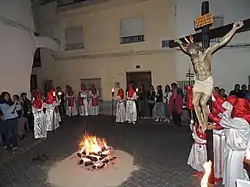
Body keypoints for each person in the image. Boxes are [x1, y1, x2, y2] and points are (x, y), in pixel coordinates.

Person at [175, 20, 243, 132]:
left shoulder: (206, 53)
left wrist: (234, 29)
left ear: (197, 49)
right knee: (194, 103)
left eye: (192, 52)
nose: (191, 54)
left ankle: (205, 123)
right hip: (198, 81)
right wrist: (178, 42)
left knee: (202, 103)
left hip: (207, 81)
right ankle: (201, 123)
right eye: (190, 53)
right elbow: (184, 48)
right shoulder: (192, 54)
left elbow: (221, 42)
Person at [209, 97, 250, 187]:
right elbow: (224, 111)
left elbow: (224, 121)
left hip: (238, 152)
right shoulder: (237, 118)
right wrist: (214, 98)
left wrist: (208, 113)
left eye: (235, 107)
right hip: (232, 150)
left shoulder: (241, 122)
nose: (233, 109)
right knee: (229, 171)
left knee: (235, 172)